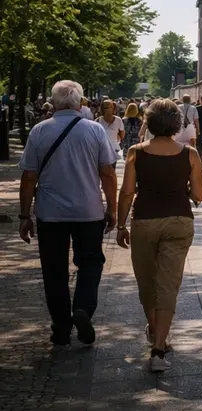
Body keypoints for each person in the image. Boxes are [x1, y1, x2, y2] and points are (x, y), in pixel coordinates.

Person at [18, 80, 118, 347]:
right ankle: (83, 308)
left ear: (53, 102)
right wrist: (113, 209)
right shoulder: (95, 130)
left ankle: (61, 327)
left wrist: (24, 215)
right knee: (91, 261)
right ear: (80, 102)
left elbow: (28, 177)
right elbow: (107, 173)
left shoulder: (39, 131)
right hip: (88, 210)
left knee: (54, 270)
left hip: (50, 213)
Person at [115, 99, 202, 373]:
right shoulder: (189, 154)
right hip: (179, 221)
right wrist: (184, 190)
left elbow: (128, 192)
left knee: (147, 281)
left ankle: (155, 330)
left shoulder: (135, 152)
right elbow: (199, 196)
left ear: (149, 123)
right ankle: (159, 347)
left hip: (144, 220)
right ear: (177, 125)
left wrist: (120, 225)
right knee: (169, 283)